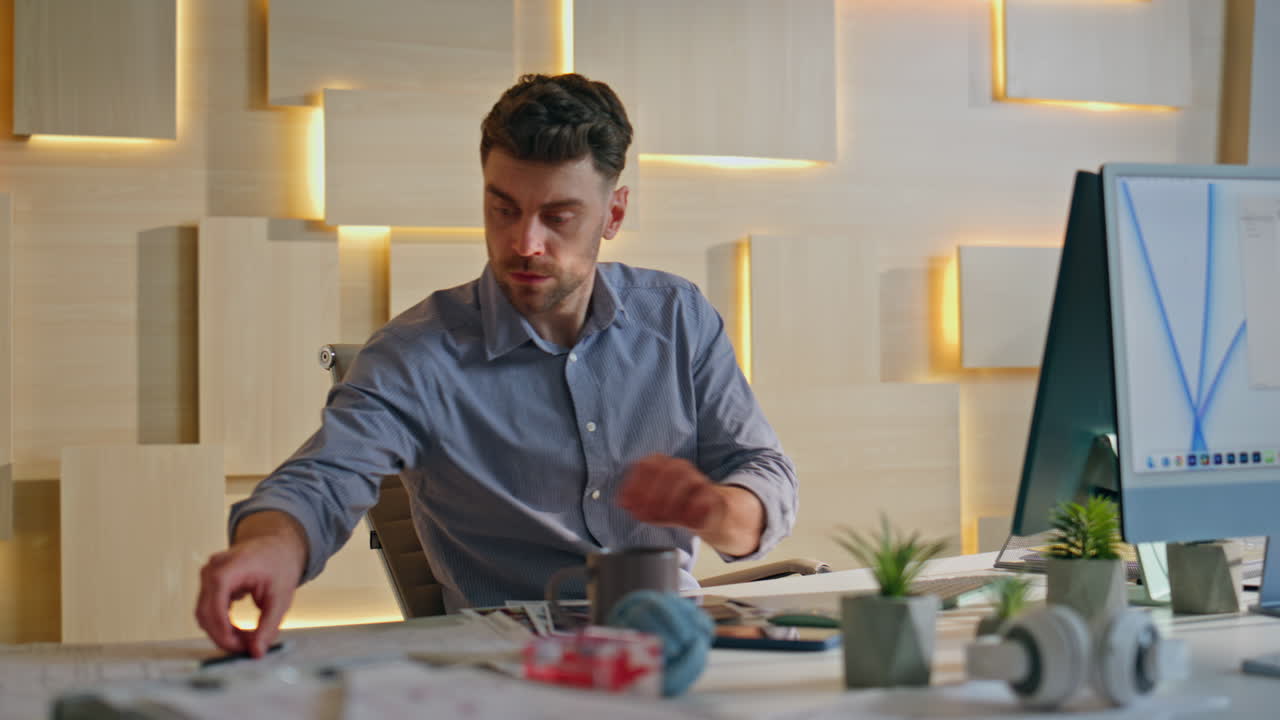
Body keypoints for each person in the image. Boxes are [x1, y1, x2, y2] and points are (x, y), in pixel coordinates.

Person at [195, 73, 798, 657]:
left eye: (558, 217)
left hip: (672, 644)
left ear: (612, 215)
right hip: (506, 665)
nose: (524, 243)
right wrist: (270, 546)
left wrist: (719, 511)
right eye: (503, 208)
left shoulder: (677, 318)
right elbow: (325, 477)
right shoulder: (417, 355)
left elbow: (762, 468)